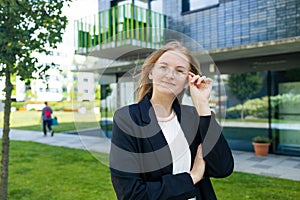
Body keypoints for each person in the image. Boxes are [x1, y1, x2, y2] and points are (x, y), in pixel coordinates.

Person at [109, 41, 234, 200]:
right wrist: (192, 177)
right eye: (163, 67)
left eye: (180, 71)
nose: (169, 75)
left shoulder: (194, 117)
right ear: (151, 73)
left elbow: (222, 168)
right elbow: (132, 194)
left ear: (187, 82)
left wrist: (203, 105)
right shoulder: (127, 119)